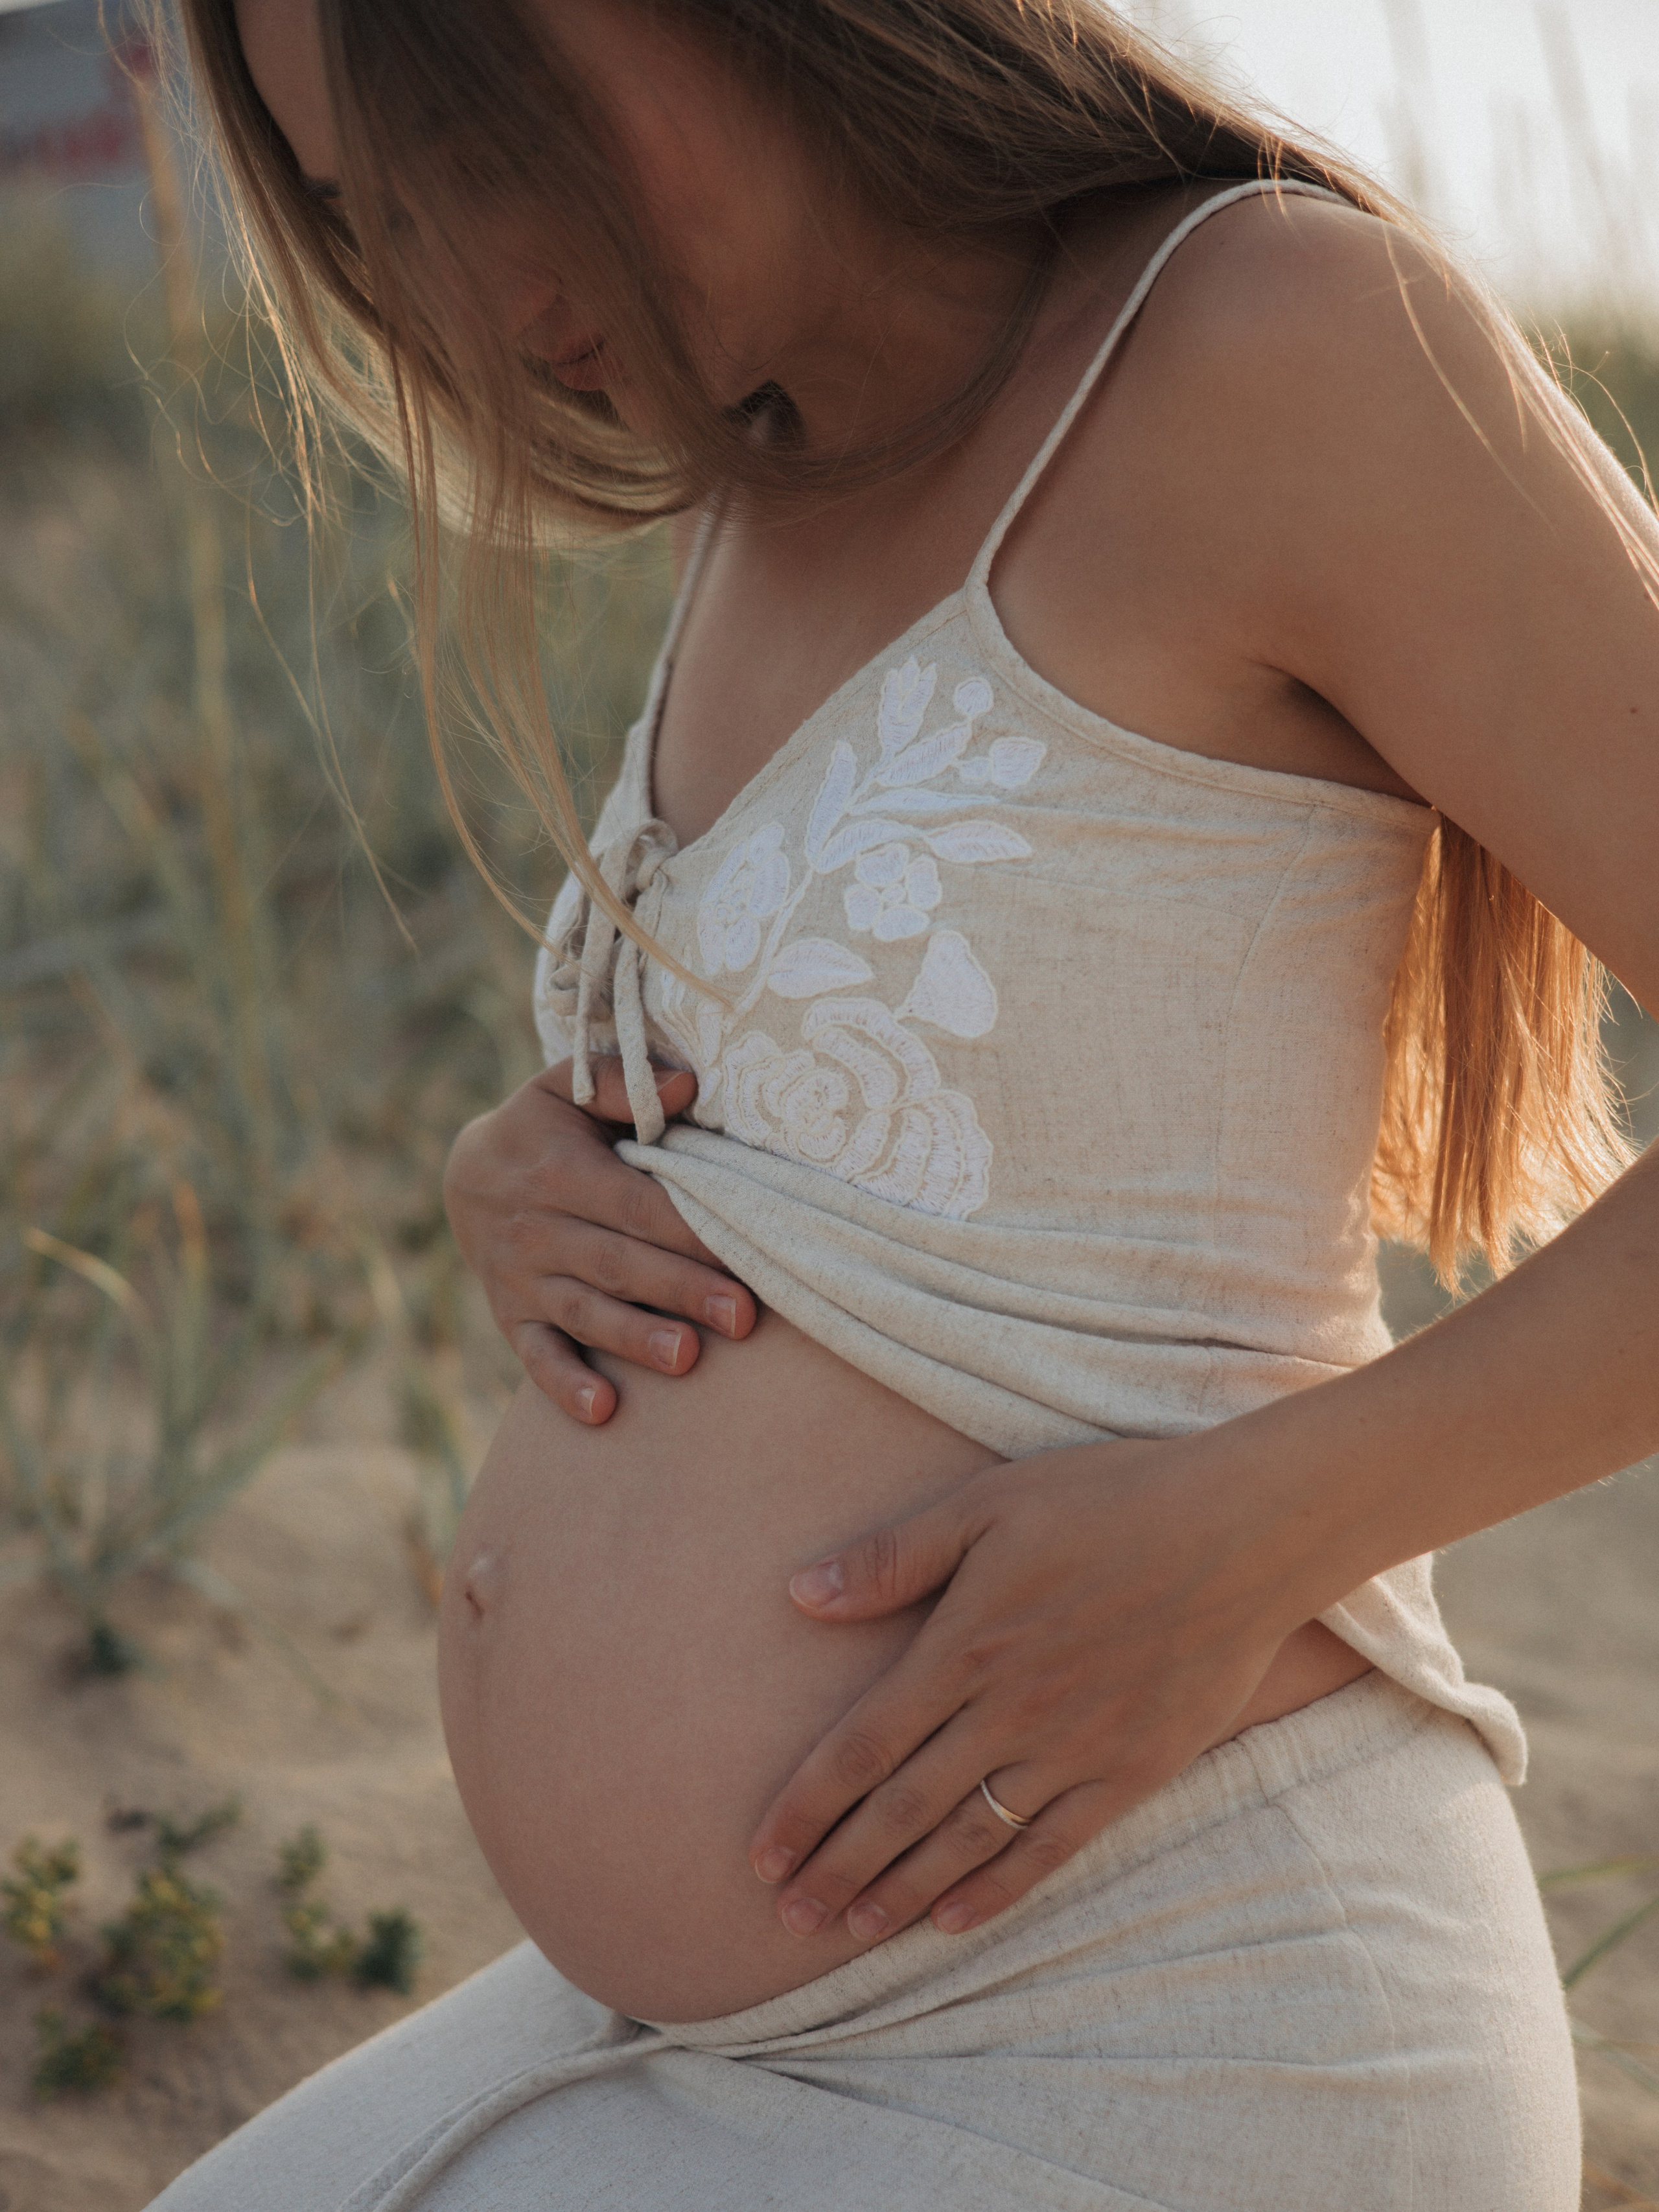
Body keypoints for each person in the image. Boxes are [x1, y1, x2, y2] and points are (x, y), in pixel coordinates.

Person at [146, 1, 1659, 2206]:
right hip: (715, 2026)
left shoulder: (1270, 343)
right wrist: (539, 1168)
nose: (469, 297)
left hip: (1175, 2024)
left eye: (483, 149)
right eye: (382, 225)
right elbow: (963, 1090)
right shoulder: (773, 470)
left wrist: (1265, 1526)